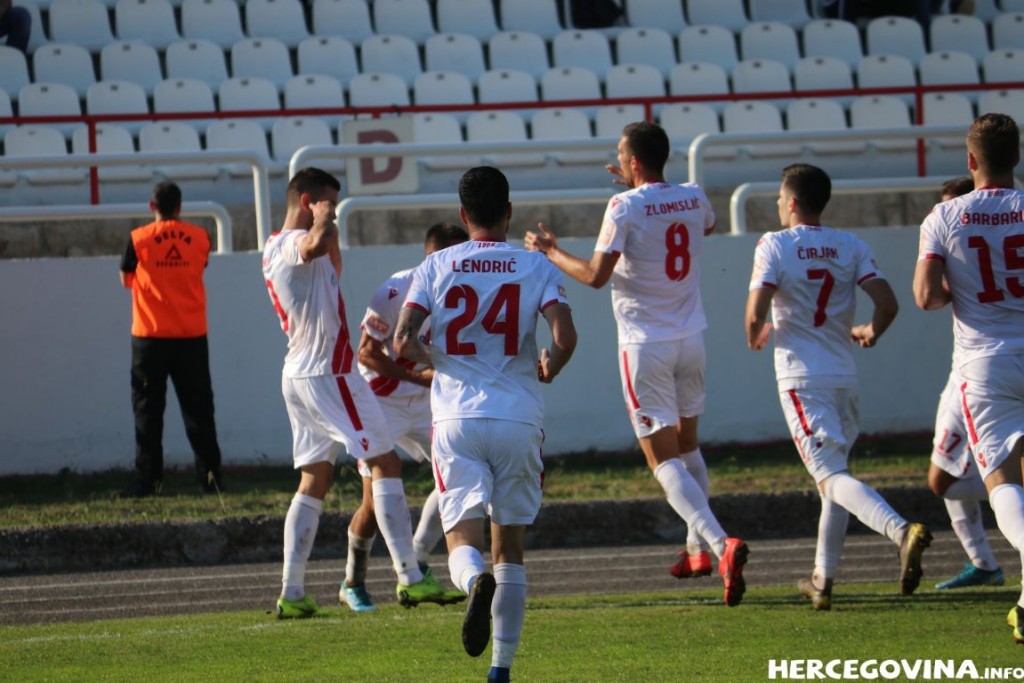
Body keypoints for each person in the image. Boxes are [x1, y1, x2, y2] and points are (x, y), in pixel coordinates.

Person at [524, 121, 749, 607]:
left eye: (622, 156)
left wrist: (550, 250)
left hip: (645, 345)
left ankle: (718, 543)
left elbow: (595, 276)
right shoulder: (692, 194)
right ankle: (697, 551)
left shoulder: (623, 205)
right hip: (692, 338)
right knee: (688, 446)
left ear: (633, 163)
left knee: (662, 458)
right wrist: (644, 190)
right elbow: (703, 224)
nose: (618, 163)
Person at [395, 166, 577, 683]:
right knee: (511, 549)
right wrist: (550, 366)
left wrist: (437, 361)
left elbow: (402, 340)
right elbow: (565, 336)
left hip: (455, 416)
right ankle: (502, 668)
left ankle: (473, 581)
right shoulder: (534, 265)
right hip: (518, 416)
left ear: (462, 214)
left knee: (462, 542)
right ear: (509, 211)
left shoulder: (435, 266)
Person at [261, 167, 458, 619]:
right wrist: (323, 218)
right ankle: (410, 578)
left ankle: (292, 592)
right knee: (384, 463)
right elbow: (312, 242)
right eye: (329, 200)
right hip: (329, 372)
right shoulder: (294, 242)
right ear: (308, 200)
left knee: (314, 480)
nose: (334, 211)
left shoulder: (278, 250)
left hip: (301, 373)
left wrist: (326, 233)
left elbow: (323, 260)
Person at [746, 163, 932, 611]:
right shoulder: (850, 245)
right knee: (833, 478)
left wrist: (754, 330)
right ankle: (822, 580)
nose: (776, 204)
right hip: (843, 378)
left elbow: (756, 309)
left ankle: (899, 530)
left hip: (801, 378)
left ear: (791, 202)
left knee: (830, 476)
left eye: (778, 197)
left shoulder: (774, 244)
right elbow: (888, 304)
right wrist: (870, 330)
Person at [914, 113, 1024, 644]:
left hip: (985, 364)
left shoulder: (945, 216)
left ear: (970, 161)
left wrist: (971, 291)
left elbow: (926, 296)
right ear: (1017, 158)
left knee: (1001, 480)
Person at [341, 222, 470, 613]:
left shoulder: (465, 291)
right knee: (373, 499)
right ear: (435, 256)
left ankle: (415, 559)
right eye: (459, 256)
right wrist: (416, 376)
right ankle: (353, 581)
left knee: (461, 470)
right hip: (382, 400)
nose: (467, 263)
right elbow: (365, 352)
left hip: (430, 400)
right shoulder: (396, 290)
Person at [119, 181, 223, 497]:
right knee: (200, 411)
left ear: (153, 206)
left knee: (148, 413)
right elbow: (200, 266)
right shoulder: (200, 237)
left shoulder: (139, 239)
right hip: (191, 336)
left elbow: (127, 279)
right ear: (179, 207)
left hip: (150, 338)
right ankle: (210, 481)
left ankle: (148, 482)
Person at [926, 177, 1005, 591]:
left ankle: (986, 559)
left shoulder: (958, 230)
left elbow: (927, 295)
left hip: (974, 373)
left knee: (942, 480)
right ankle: (984, 562)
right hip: (978, 365)